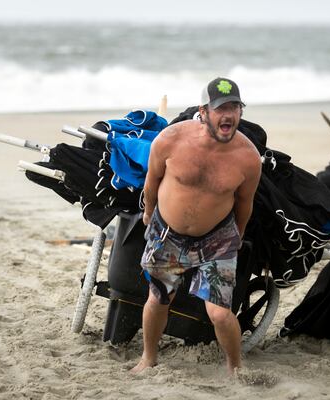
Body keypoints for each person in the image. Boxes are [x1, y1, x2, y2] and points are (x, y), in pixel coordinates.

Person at [130, 77, 262, 375]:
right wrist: (149, 213)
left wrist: (237, 236)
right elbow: (151, 182)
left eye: (234, 107)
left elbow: (244, 203)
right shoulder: (170, 139)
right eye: (220, 108)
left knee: (219, 313)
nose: (228, 114)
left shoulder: (249, 158)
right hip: (167, 233)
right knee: (159, 297)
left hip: (217, 238)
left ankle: (235, 367)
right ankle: (148, 358)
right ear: (203, 111)